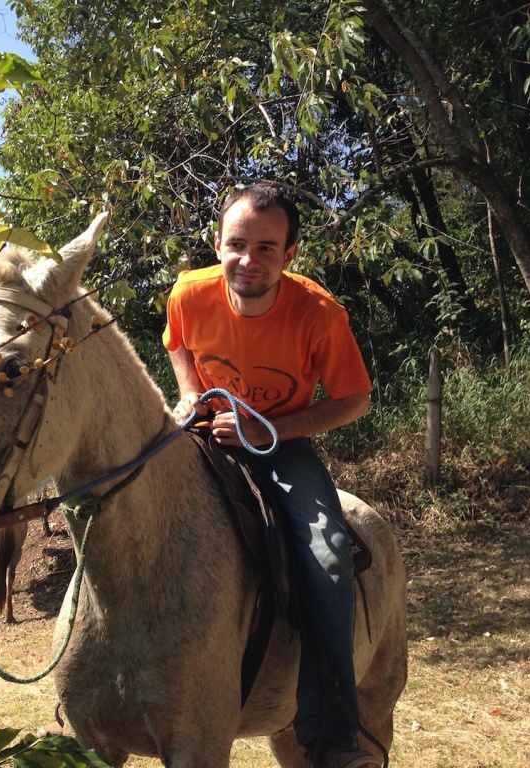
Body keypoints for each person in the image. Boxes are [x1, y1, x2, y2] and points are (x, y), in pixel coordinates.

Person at [162, 182, 378, 768]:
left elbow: (353, 398)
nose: (247, 260)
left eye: (265, 247)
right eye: (236, 244)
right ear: (217, 244)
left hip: (281, 445)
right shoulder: (189, 291)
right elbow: (178, 341)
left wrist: (267, 432)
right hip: (202, 429)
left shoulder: (320, 314)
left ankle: (332, 735)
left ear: (289, 254)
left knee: (330, 556)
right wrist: (188, 394)